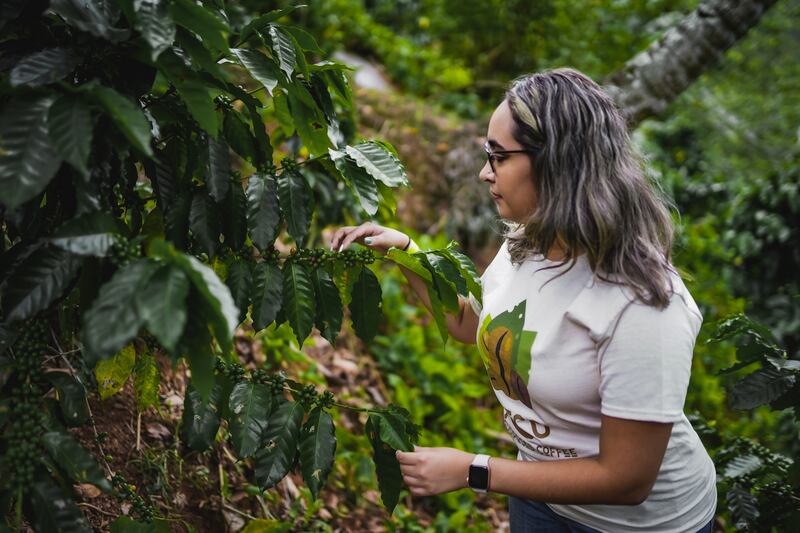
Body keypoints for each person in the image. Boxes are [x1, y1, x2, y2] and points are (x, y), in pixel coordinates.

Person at [329, 68, 717, 533]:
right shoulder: (529, 241)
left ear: (558, 163)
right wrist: (408, 254)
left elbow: (627, 479)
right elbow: (479, 327)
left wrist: (474, 470)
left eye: (498, 156)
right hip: (537, 495)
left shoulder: (643, 304)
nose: (483, 172)